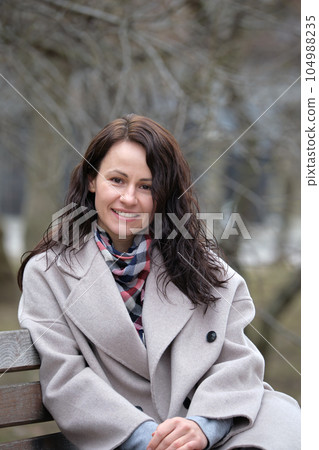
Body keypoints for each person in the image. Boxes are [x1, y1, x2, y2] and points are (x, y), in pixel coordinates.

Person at [17, 114, 300, 450]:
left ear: (164, 194)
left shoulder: (203, 268)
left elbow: (238, 362)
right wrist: (149, 439)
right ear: (93, 180)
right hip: (125, 437)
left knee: (289, 425)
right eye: (117, 180)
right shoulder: (49, 273)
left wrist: (201, 427)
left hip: (216, 427)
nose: (129, 198)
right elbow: (65, 381)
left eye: (146, 186)